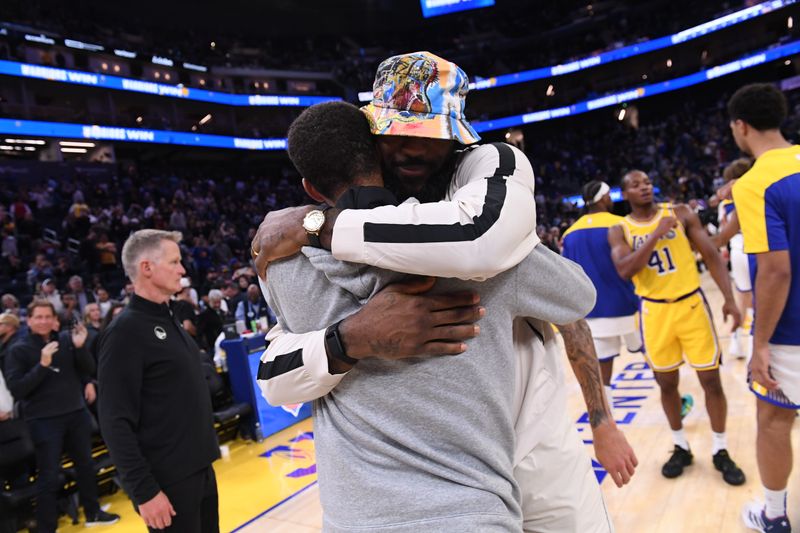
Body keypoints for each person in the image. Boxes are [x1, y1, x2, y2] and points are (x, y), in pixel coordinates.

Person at [254, 52, 636, 532]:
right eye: (398, 133)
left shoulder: (485, 190)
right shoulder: (299, 259)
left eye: (429, 133)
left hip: (533, 440)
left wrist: (600, 419)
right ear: (372, 138)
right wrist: (351, 337)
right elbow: (273, 377)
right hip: (461, 482)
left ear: (457, 134)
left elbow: (560, 298)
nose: (413, 148)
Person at [608, 169, 745, 484]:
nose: (645, 187)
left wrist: (729, 298)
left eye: (647, 182)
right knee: (667, 384)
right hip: (655, 313)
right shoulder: (619, 229)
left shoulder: (681, 213)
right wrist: (656, 233)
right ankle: (680, 446)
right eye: (635, 184)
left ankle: (721, 449)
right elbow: (625, 269)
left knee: (711, 381)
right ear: (624, 193)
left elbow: (710, 253)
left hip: (692, 305)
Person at [97, 229, 219, 533]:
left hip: (200, 470)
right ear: (147, 268)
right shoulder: (125, 331)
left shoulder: (168, 317)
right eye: (174, 262)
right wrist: (144, 492)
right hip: (167, 483)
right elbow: (114, 420)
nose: (183, 270)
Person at [727, 83, 799, 533]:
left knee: (774, 418)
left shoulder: (754, 183)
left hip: (792, 331)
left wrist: (760, 344)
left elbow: (775, 271)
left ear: (741, 126)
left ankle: (774, 516)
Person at [4, 300, 118, 531]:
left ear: (55, 319)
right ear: (29, 319)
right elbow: (17, 389)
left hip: (75, 412)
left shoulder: (65, 340)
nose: (44, 321)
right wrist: (42, 365)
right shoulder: (18, 349)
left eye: (48, 316)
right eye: (39, 317)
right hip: (43, 420)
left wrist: (79, 347)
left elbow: (87, 369)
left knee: (85, 465)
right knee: (48, 474)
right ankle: (47, 526)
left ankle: (93, 512)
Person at [561, 181, 641, 395]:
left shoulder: (569, 233)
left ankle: (609, 418)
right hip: (629, 305)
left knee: (603, 371)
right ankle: (676, 403)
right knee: (655, 357)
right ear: (604, 198)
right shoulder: (621, 224)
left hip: (593, 310)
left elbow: (568, 276)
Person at [713, 158, 755, 360]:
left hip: (737, 248)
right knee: (761, 300)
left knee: (743, 299)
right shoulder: (756, 192)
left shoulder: (724, 204)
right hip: (757, 246)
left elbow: (722, 232)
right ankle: (753, 350)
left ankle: (737, 343)